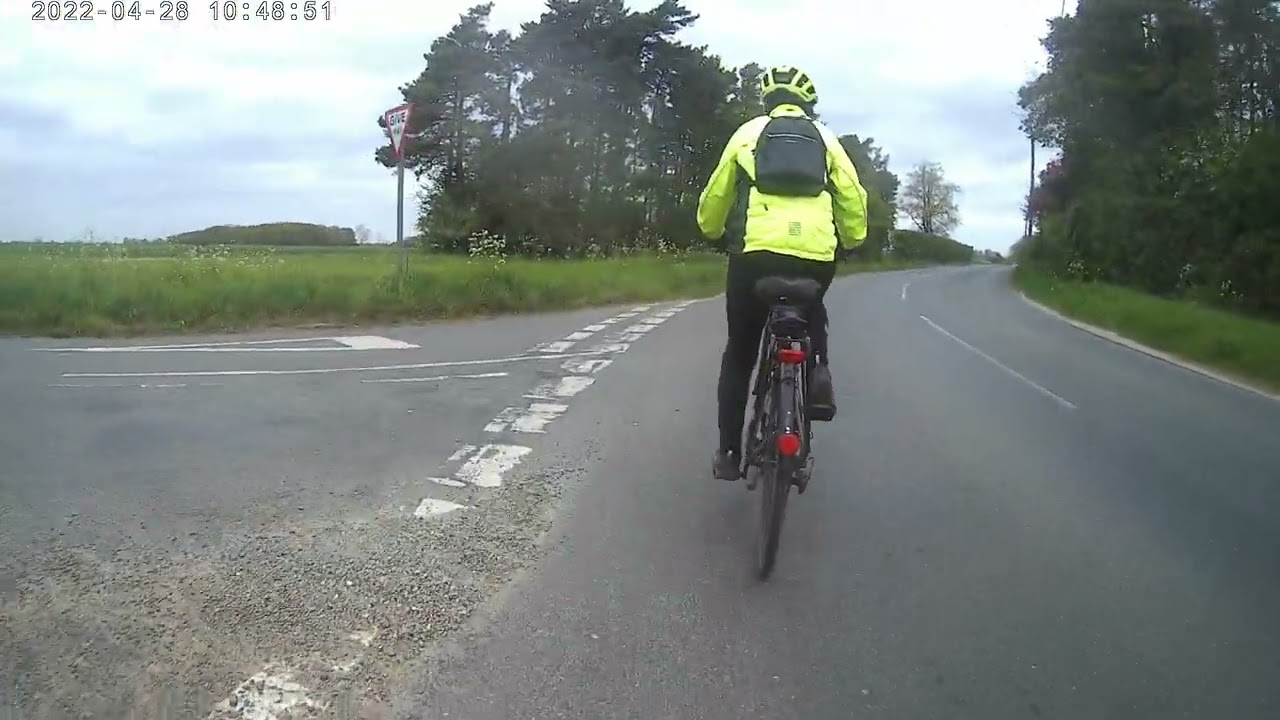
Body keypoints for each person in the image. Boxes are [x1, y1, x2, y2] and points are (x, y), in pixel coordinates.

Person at [695, 64, 869, 481]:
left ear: (767, 100)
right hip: (815, 255)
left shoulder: (749, 133)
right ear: (808, 103)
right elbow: (852, 197)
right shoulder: (826, 139)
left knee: (740, 351)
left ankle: (729, 452)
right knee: (811, 314)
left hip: (755, 254)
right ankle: (816, 376)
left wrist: (712, 231)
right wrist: (851, 240)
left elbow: (717, 193)